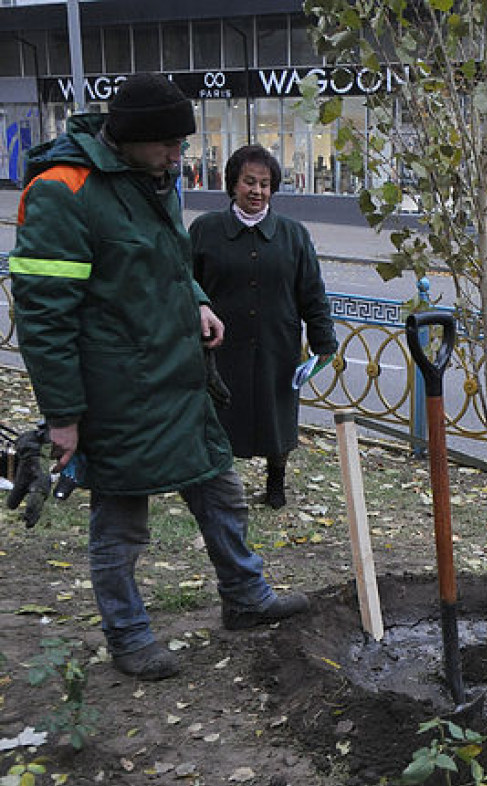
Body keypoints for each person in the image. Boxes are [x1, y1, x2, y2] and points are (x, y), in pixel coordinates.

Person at [10, 73, 310, 681]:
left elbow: (170, 259)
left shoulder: (155, 177)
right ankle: (128, 634)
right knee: (121, 519)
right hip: (117, 390)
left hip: (178, 377)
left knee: (220, 489)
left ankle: (245, 597)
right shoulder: (63, 191)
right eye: (168, 143)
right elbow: (42, 314)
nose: (180, 156)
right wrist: (64, 416)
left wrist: (197, 300)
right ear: (130, 137)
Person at [190, 145, 338, 509]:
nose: (257, 191)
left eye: (265, 184)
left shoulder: (293, 235)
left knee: (277, 416)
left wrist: (324, 341)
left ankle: (276, 482)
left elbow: (311, 292)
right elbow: (184, 283)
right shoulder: (205, 230)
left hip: (277, 344)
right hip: (221, 347)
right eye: (249, 182)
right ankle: (219, 487)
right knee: (220, 415)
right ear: (233, 184)